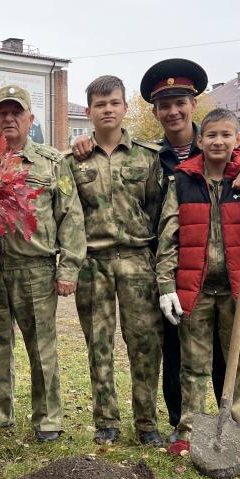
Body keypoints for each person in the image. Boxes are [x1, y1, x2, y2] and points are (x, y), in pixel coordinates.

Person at [71, 58, 240, 442]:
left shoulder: (231, 152)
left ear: (193, 106)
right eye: (164, 105)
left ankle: (235, 428)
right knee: (176, 351)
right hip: (171, 271)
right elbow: (160, 218)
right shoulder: (156, 155)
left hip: (224, 272)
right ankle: (180, 423)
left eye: (180, 102)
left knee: (228, 355)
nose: (173, 111)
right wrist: (165, 277)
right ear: (155, 112)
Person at [156, 107, 240, 472]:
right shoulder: (182, 180)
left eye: (226, 135)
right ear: (200, 140)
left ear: (237, 139)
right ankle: (188, 433)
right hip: (195, 289)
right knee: (193, 367)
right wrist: (165, 283)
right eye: (211, 135)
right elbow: (169, 236)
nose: (218, 141)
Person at [0, 85, 85, 442]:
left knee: (42, 348)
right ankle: (0, 412)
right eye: (2, 113)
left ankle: (48, 419)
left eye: (16, 112)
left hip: (35, 269)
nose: (9, 119)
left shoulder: (52, 162)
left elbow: (71, 217)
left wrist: (68, 269)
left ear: (30, 119)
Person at [65, 75, 164, 446]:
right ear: (88, 111)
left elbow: (156, 210)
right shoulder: (74, 161)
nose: (108, 109)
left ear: (125, 108)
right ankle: (106, 419)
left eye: (114, 103)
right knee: (99, 344)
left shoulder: (147, 157)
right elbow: (70, 216)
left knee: (144, 344)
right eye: (100, 104)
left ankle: (147, 422)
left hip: (138, 261)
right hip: (94, 263)